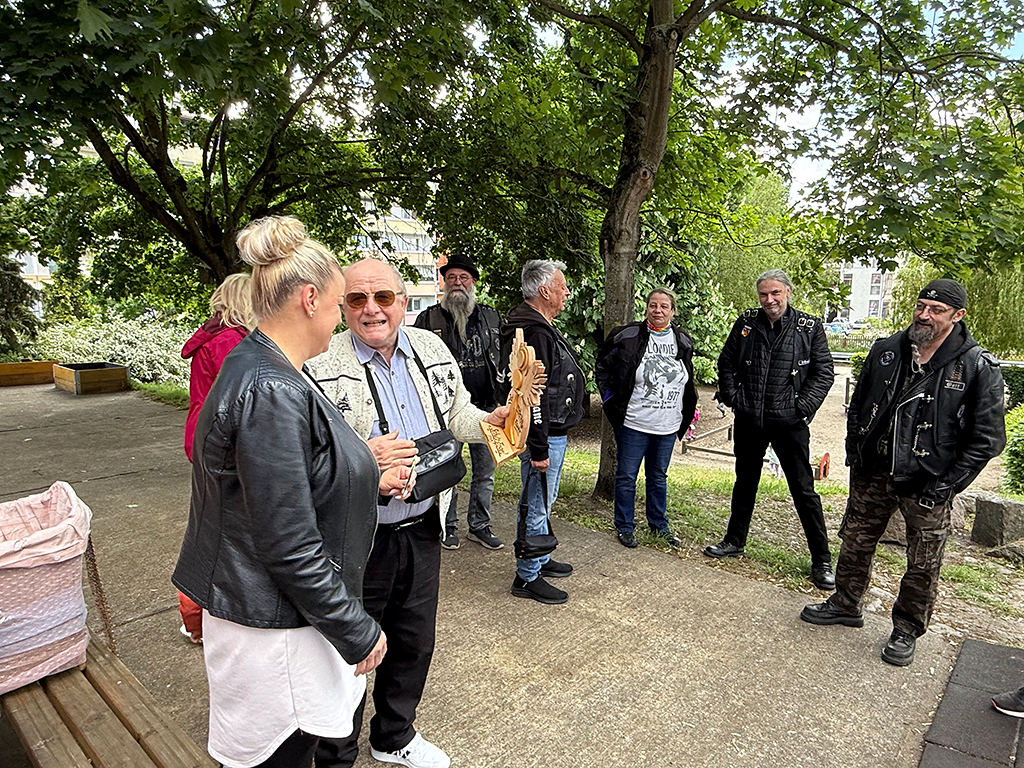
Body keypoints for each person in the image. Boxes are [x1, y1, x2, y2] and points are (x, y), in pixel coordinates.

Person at [172, 216, 410, 768]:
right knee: (282, 756)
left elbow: (282, 483)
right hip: (273, 628)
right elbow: (285, 540)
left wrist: (364, 480)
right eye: (338, 304)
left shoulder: (265, 364)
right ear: (309, 299)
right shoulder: (271, 388)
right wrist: (355, 629)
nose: (340, 319)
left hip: (275, 615)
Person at [307, 258, 508, 768]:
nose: (371, 309)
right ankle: (335, 755)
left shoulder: (430, 347)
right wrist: (363, 462)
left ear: (404, 300)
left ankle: (393, 735)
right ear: (342, 306)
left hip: (423, 525)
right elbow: (304, 459)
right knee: (346, 652)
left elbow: (456, 414)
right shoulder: (317, 363)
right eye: (357, 299)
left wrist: (493, 421)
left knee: (414, 641)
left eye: (383, 297)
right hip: (357, 538)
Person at [801, 278, 1006, 667]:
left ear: (958, 315)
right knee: (855, 540)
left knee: (923, 560)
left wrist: (947, 485)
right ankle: (845, 603)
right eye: (920, 306)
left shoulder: (977, 366)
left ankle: (907, 628)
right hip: (875, 470)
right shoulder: (887, 350)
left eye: (936, 310)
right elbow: (859, 406)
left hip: (928, 479)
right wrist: (855, 452)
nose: (924, 315)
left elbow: (988, 440)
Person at [705, 269, 837, 591]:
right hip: (750, 419)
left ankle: (821, 560)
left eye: (775, 293)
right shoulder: (747, 323)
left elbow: (824, 372)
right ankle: (734, 541)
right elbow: (726, 362)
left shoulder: (808, 327)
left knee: (803, 490)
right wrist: (734, 397)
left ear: (788, 292)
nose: (770, 300)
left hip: (789, 423)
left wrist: (800, 407)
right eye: (764, 294)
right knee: (744, 483)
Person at [499, 259, 585, 605]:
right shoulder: (535, 331)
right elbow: (534, 395)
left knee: (542, 499)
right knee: (537, 502)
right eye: (562, 286)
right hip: (544, 435)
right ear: (545, 291)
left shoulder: (537, 325)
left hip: (550, 432)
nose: (567, 292)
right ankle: (527, 575)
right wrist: (539, 449)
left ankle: (541, 556)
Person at [177, 272, 255, 644]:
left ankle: (195, 619)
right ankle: (197, 618)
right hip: (224, 444)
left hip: (204, 436)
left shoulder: (213, 336)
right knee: (219, 538)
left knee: (210, 530)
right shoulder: (232, 343)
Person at [413, 252, 503, 551]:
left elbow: (505, 357)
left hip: (486, 407)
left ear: (473, 282)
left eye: (463, 277)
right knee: (447, 471)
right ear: (444, 282)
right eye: (451, 277)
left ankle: (479, 526)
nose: (457, 282)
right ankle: (447, 526)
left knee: (485, 473)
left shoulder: (491, 317)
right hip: (445, 411)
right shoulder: (428, 319)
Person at [595, 287, 698, 549]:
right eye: (653, 305)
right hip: (634, 423)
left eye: (664, 306)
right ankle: (625, 526)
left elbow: (687, 377)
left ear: (673, 311)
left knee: (658, 477)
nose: (658, 310)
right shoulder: (627, 335)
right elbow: (603, 365)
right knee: (627, 477)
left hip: (668, 424)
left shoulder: (682, 340)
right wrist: (609, 398)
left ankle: (659, 525)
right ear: (647, 308)